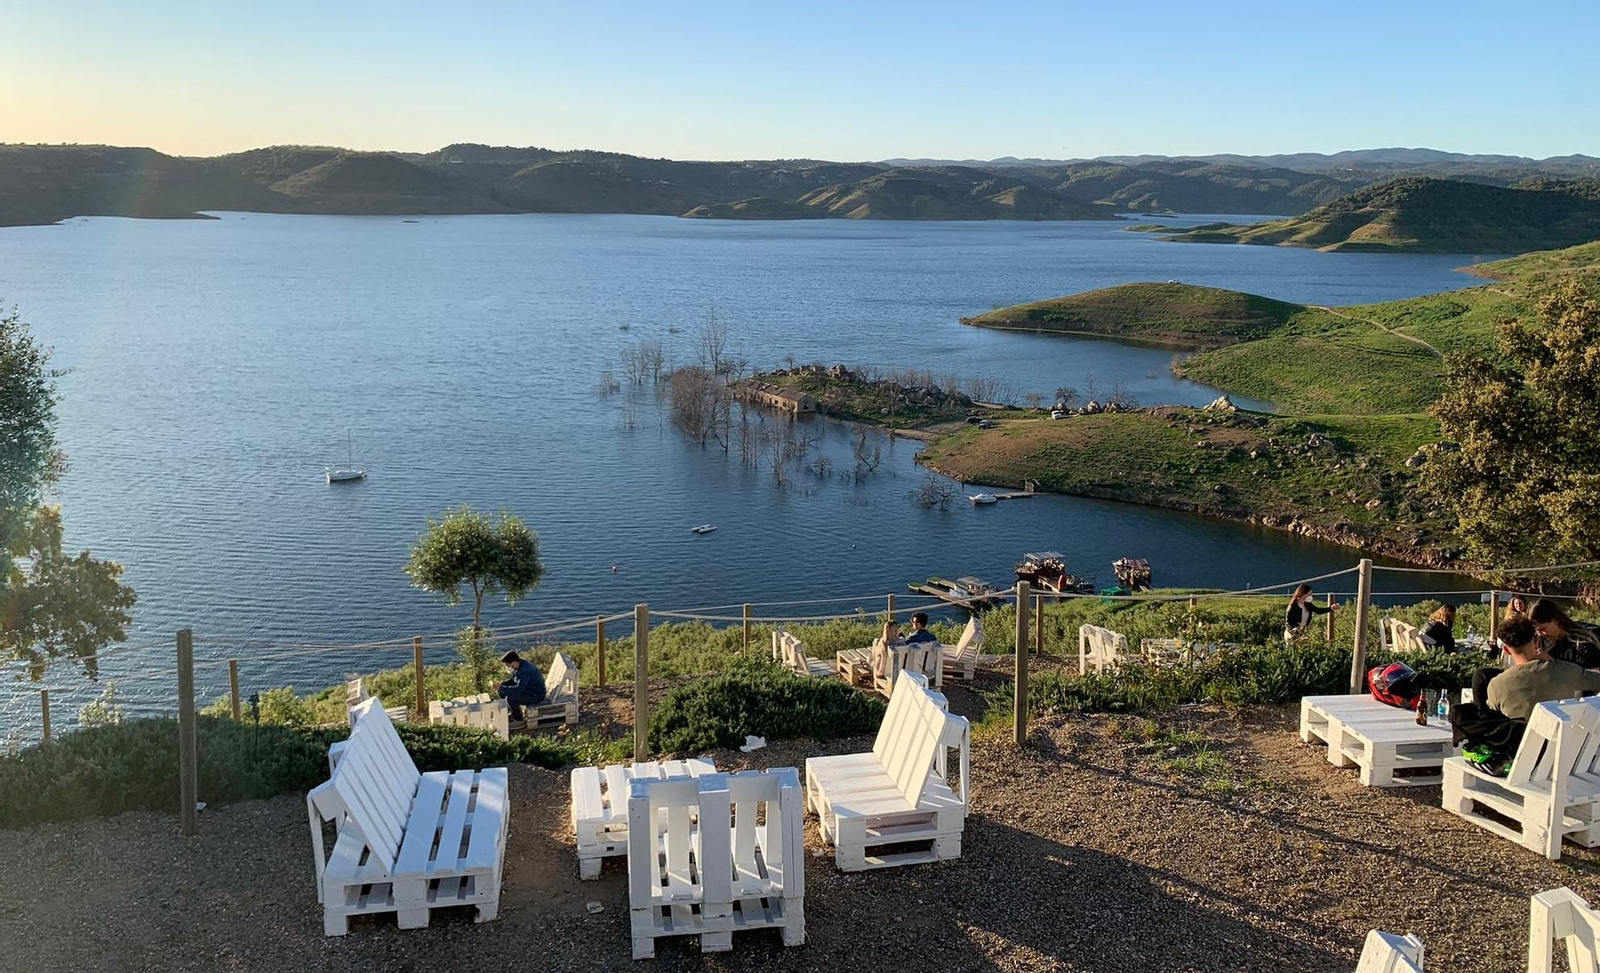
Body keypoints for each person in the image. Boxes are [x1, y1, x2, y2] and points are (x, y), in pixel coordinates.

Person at [1484, 616, 1600, 720]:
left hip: (1520, 742)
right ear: (1536, 641)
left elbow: (1491, 718)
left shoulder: (1497, 685)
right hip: (1564, 740)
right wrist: (1555, 663)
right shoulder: (1567, 671)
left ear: (1507, 650)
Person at [1528, 599, 1600, 669]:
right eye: (1536, 630)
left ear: (1555, 621)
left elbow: (1593, 676)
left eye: (1542, 629)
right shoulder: (1539, 641)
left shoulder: (1582, 645)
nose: (1539, 634)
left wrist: (1554, 664)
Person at [497, 650, 547, 726]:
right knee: (503, 689)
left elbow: (519, 689)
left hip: (535, 694)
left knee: (510, 698)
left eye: (510, 665)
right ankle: (515, 712)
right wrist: (502, 685)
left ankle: (519, 720)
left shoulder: (525, 671)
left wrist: (502, 688)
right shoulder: (519, 665)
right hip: (528, 690)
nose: (510, 667)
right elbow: (514, 680)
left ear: (515, 662)